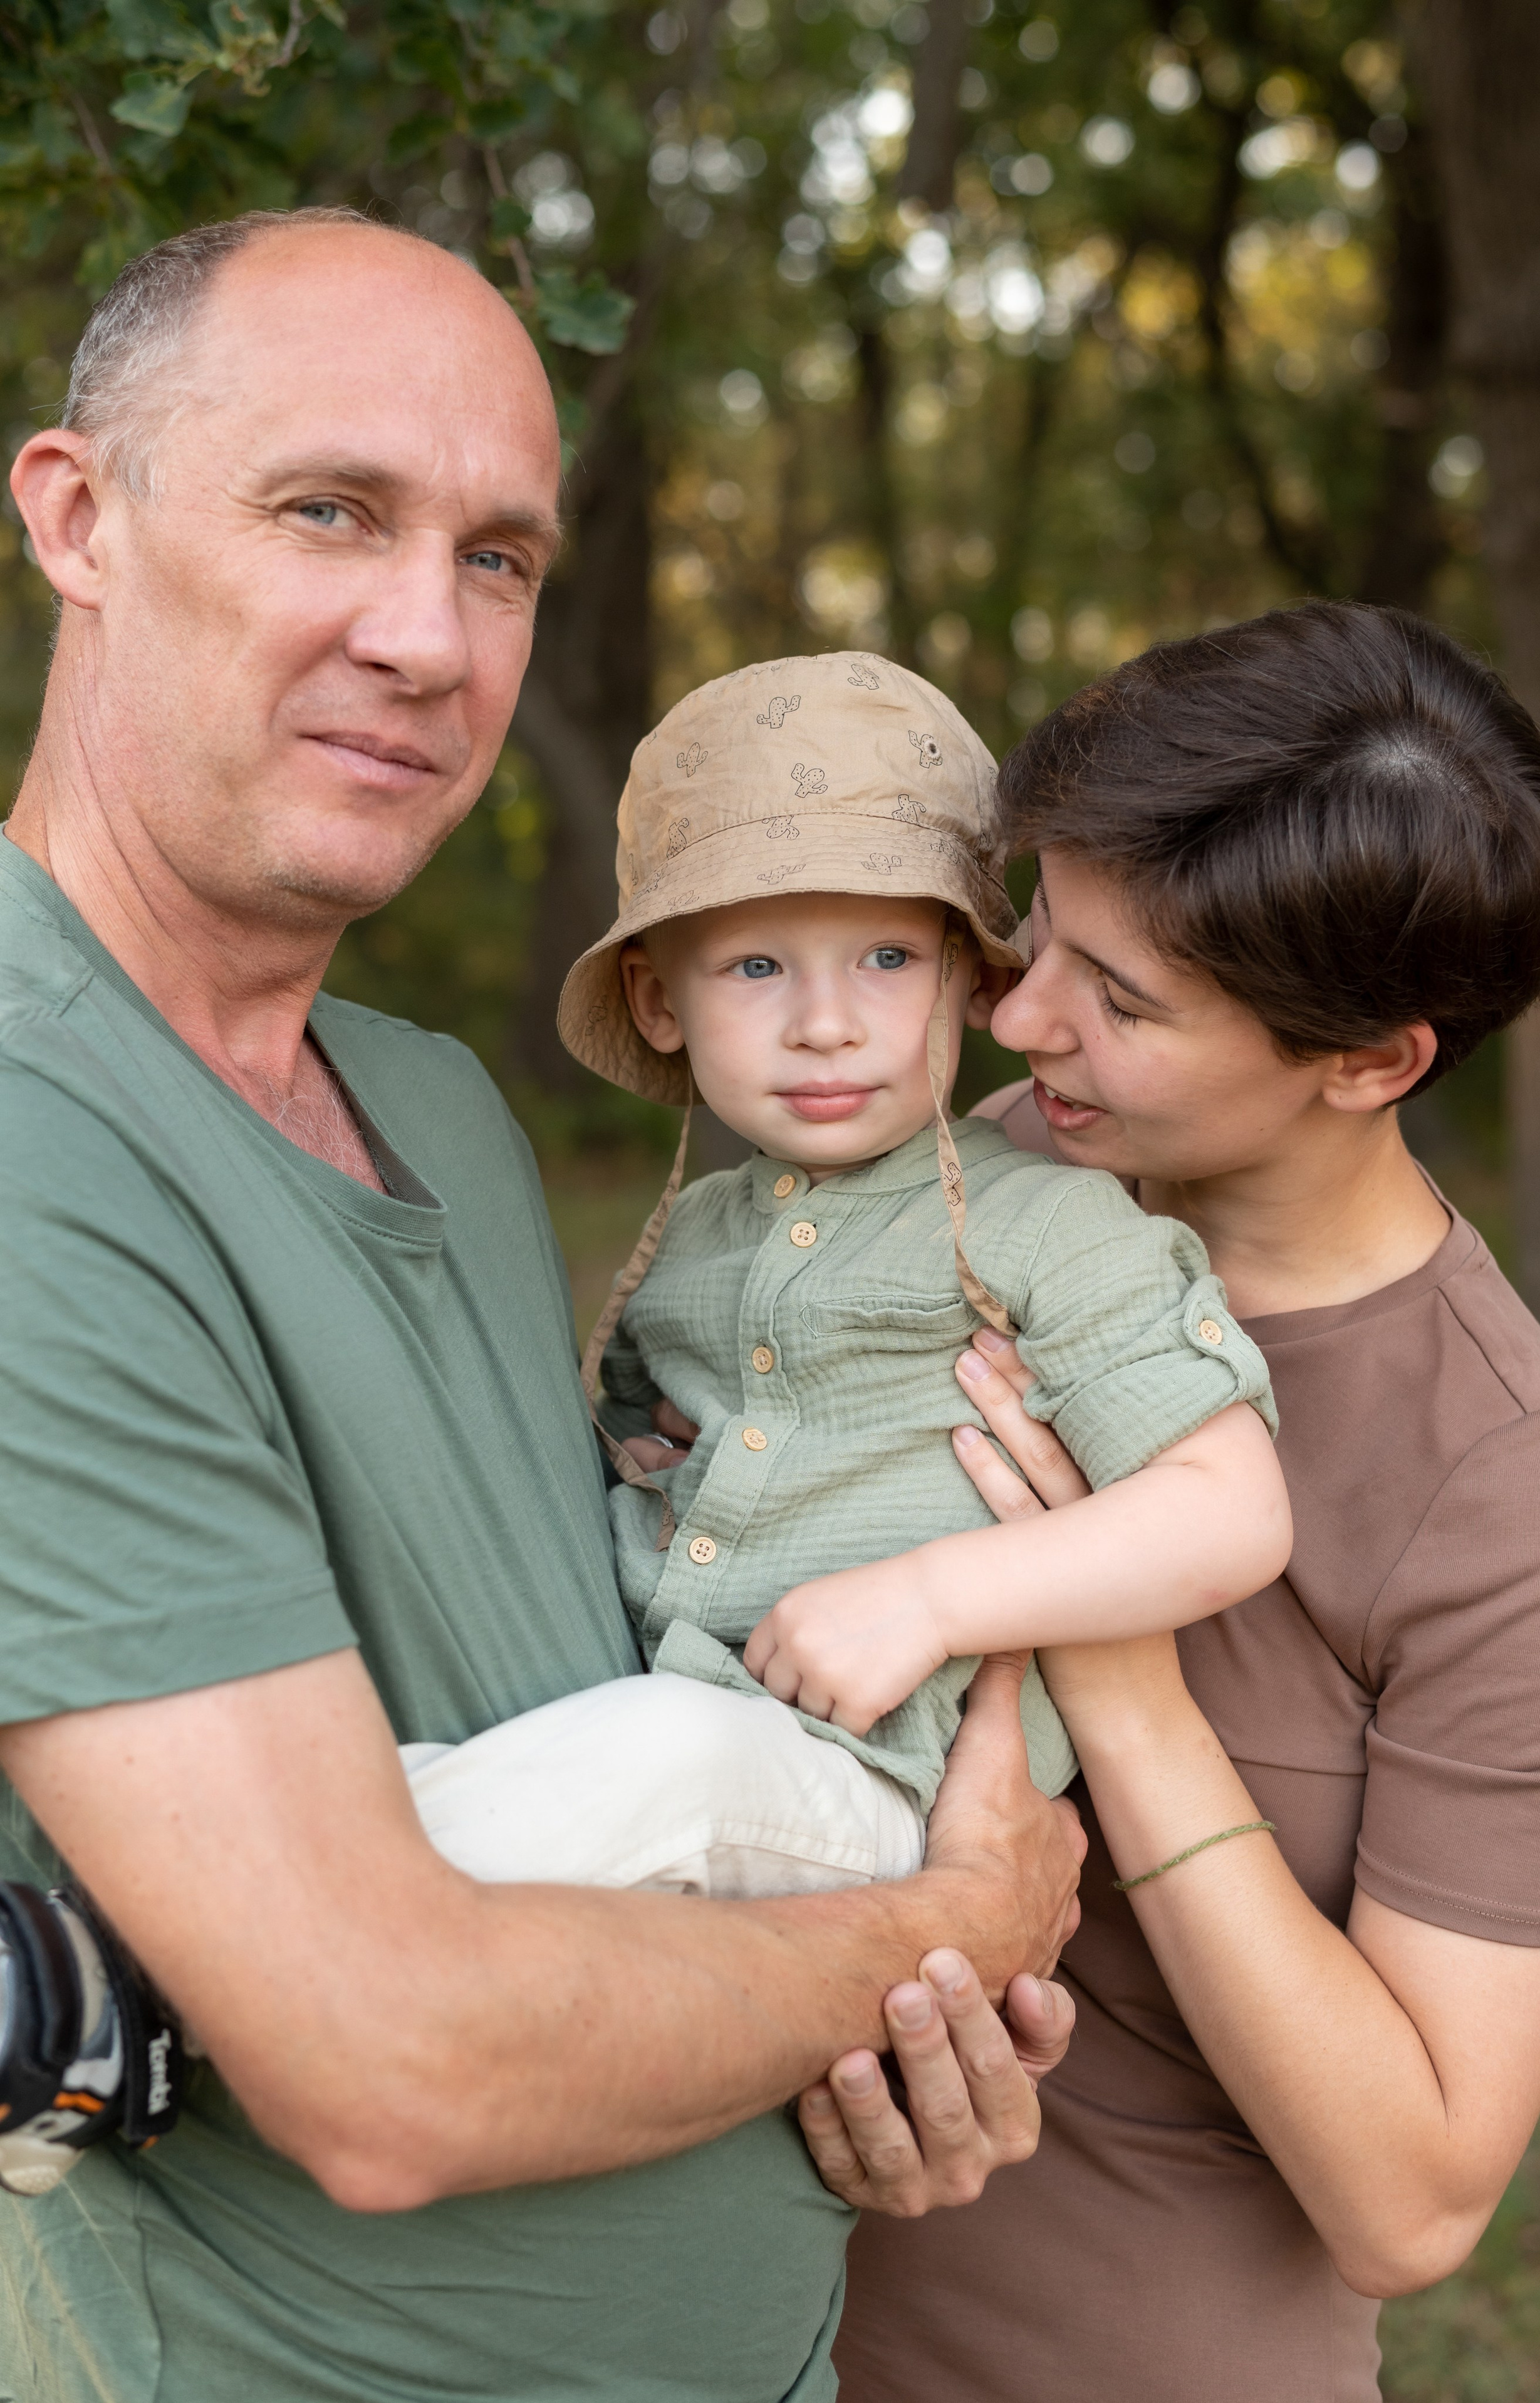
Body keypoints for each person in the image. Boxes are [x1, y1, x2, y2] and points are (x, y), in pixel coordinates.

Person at [0, 207, 1084, 2403]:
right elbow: (388, 2061)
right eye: (332, 510)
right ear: (78, 517)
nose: (427, 632)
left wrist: (892, 2026)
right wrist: (948, 1922)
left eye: (499, 556)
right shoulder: (36, 1122)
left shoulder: (445, 1114)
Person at [833, 602, 1540, 2403]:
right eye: (1040, 939)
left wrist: (1119, 1670)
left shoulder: (1513, 1497)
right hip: (725, 2324)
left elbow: (1412, 2201)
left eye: (1124, 999)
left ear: (1374, 1060)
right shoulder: (947, 1184)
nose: (1020, 1019)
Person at [387, 651, 1288, 1899]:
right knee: (459, 1726)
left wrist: (928, 1599)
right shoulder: (696, 1239)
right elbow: (655, 1424)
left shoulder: (1049, 1225)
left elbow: (1231, 1510)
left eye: (883, 959)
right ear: (659, 1002)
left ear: (973, 979)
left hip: (873, 1783)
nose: (825, 1021)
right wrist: (640, 1455)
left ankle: (206, 1948)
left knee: (655, 1759)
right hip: (656, 1728)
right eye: (756, 968)